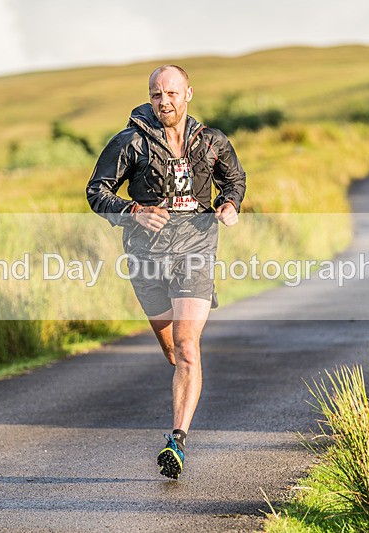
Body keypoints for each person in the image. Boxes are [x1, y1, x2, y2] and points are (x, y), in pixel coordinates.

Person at [86, 65, 246, 479]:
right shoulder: (130, 142)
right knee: (173, 351)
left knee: (186, 344)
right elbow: (96, 191)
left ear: (188, 93)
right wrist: (133, 211)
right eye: (157, 95)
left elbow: (235, 180)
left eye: (172, 93)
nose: (164, 102)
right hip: (146, 257)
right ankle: (184, 395)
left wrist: (229, 205)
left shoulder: (211, 142)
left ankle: (177, 440)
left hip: (195, 249)